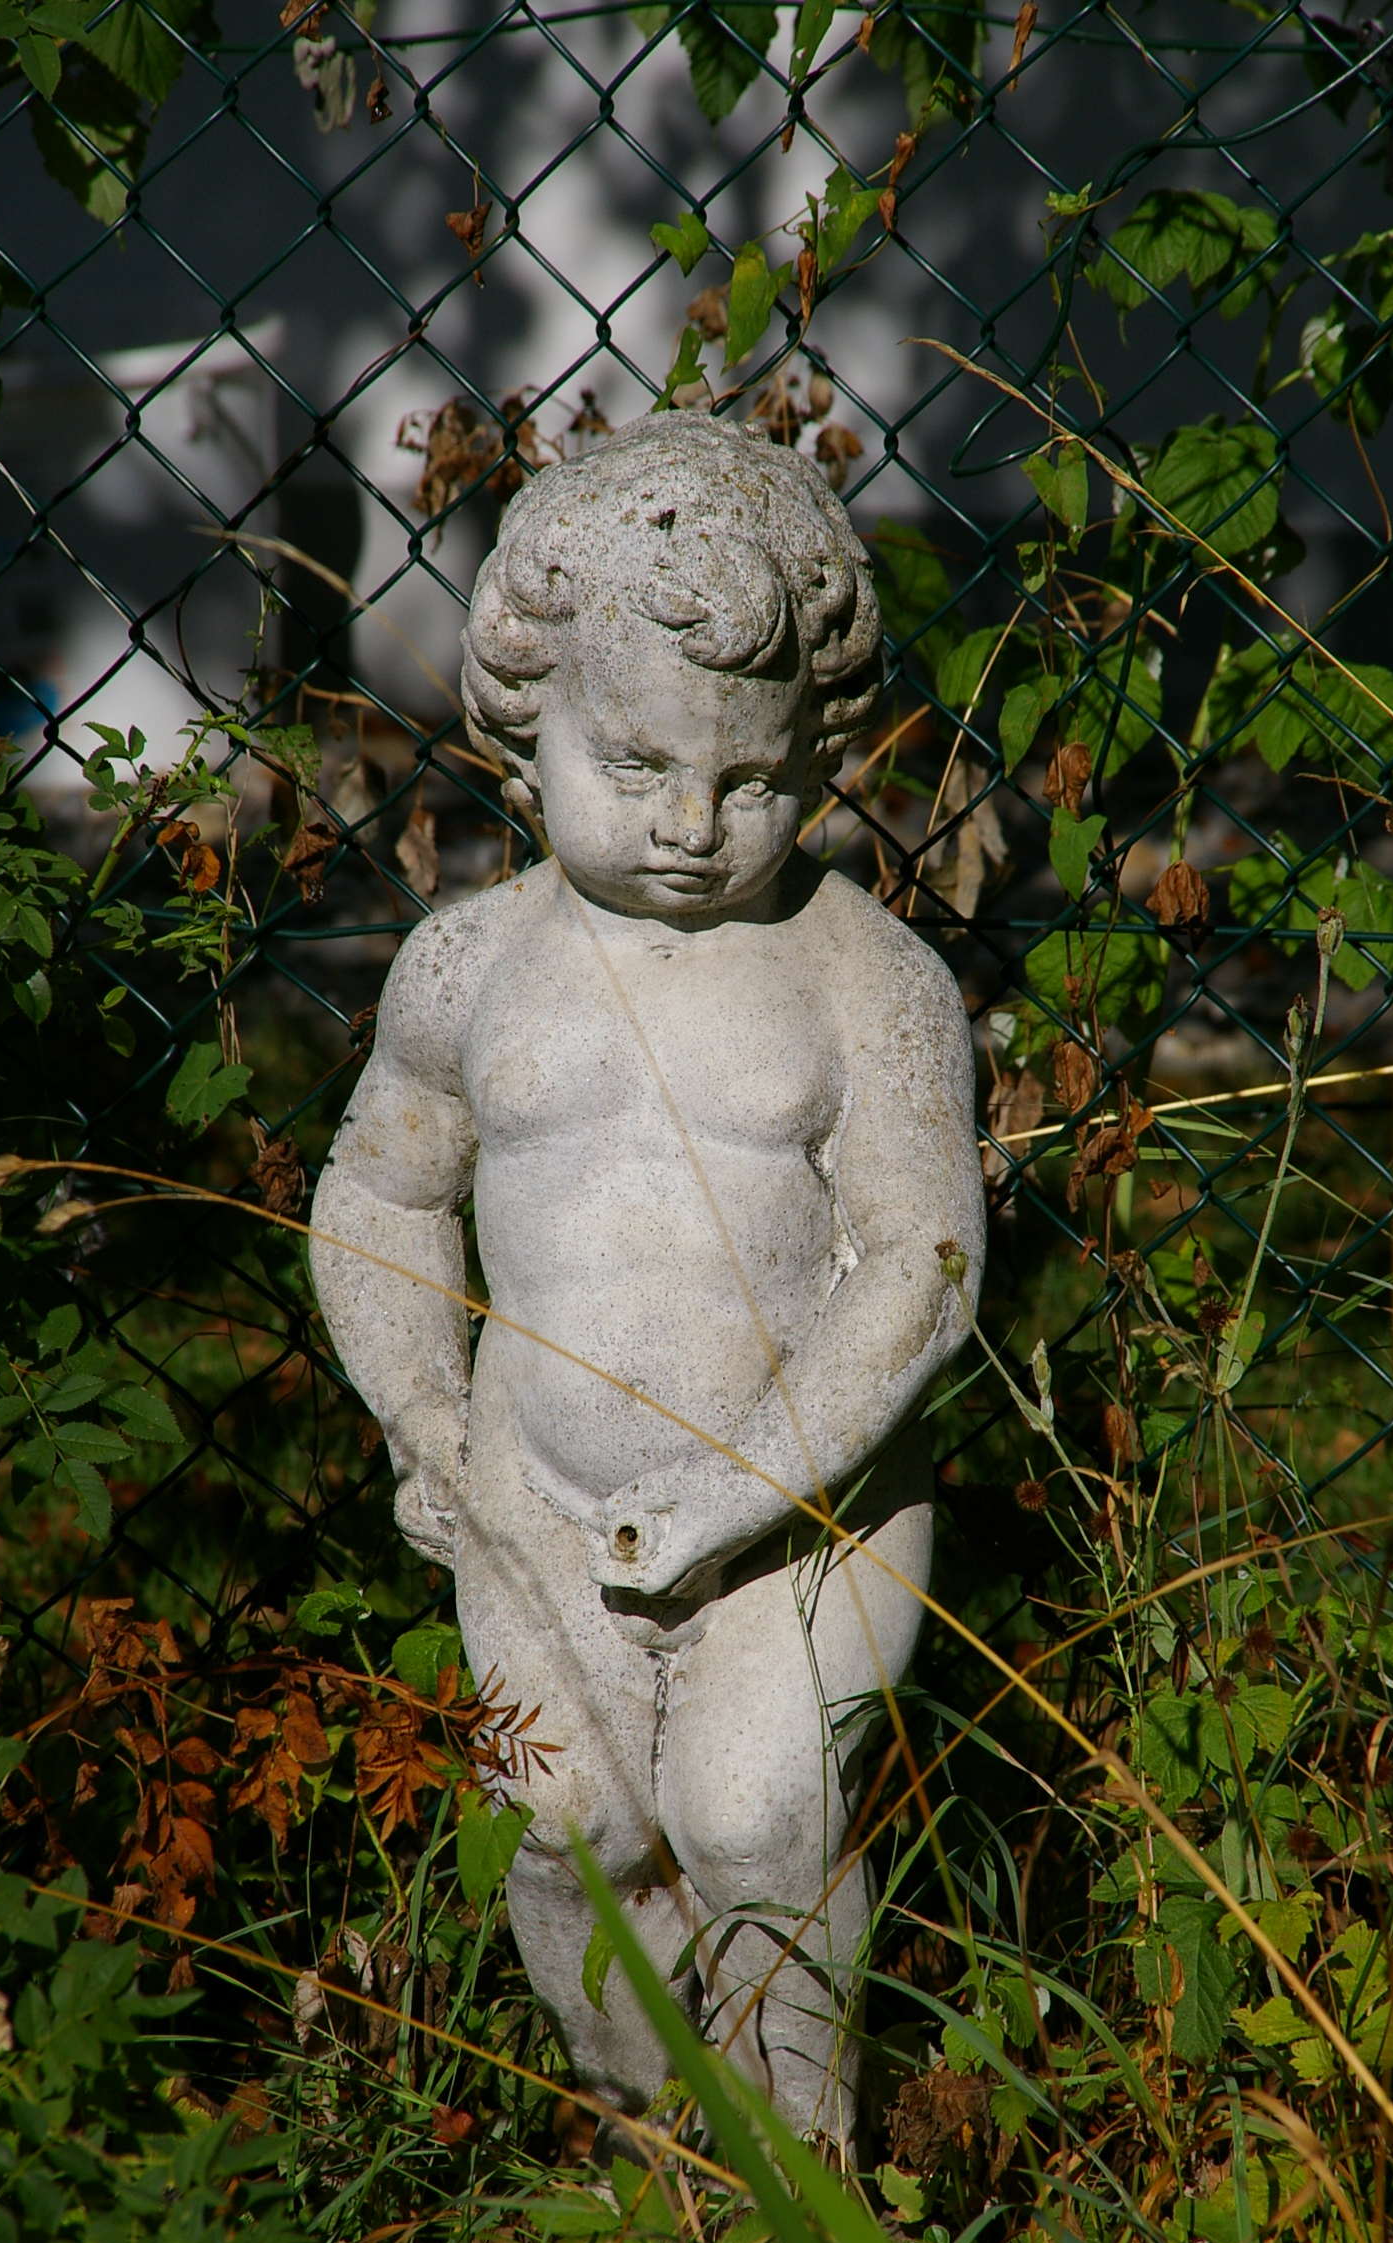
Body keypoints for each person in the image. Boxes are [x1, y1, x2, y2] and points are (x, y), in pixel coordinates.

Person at [310, 411, 985, 2152]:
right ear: (526, 728)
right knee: (567, 1834)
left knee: (759, 1823)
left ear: (819, 751)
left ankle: (799, 2193)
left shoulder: (862, 978)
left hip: (804, 1506)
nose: (691, 824)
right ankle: (648, 2158)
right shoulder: (470, 966)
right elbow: (380, 1195)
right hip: (538, 1493)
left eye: (752, 782)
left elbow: (922, 1271)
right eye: (635, 763)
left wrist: (731, 1494)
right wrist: (425, 1416)